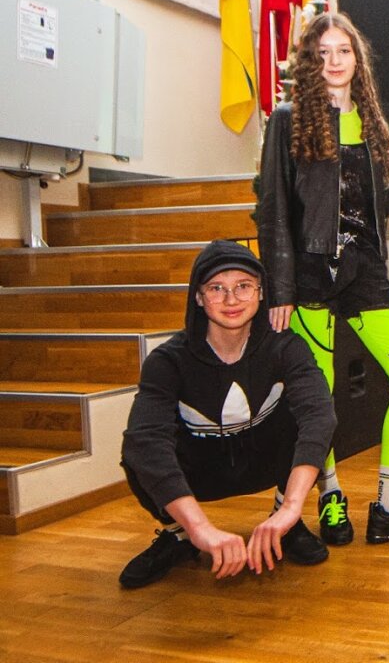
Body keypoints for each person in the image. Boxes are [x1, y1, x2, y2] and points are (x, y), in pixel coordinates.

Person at [257, 11, 389, 545]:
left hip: (365, 271)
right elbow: (273, 209)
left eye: (343, 51)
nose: (335, 61)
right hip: (309, 275)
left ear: (357, 59)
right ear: (309, 63)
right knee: (319, 397)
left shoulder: (371, 121)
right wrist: (280, 288)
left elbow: (375, 209)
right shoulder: (288, 120)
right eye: (323, 53)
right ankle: (330, 494)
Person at [119, 240, 336, 588]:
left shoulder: (287, 346)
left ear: (261, 292)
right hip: (201, 471)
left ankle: (285, 523)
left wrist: (292, 507)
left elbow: (319, 415)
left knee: (315, 418)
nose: (231, 299)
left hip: (263, 462)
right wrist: (199, 527)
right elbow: (145, 440)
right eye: (217, 288)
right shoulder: (167, 361)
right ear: (198, 297)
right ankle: (179, 535)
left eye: (243, 286)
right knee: (138, 450)